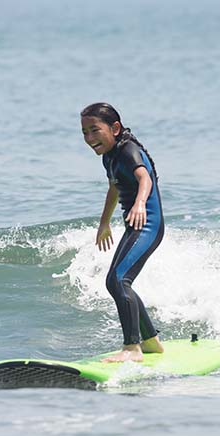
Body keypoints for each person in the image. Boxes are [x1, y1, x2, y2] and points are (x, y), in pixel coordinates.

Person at [80, 103, 165, 362]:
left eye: (95, 130)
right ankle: (150, 341)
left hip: (148, 225)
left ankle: (132, 348)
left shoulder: (128, 150)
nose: (89, 138)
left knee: (118, 281)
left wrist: (139, 203)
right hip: (135, 225)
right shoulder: (110, 156)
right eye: (84, 132)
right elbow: (114, 189)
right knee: (116, 280)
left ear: (115, 128)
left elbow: (145, 179)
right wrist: (104, 223)